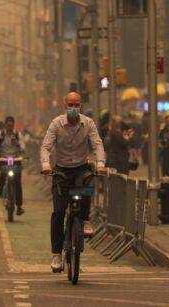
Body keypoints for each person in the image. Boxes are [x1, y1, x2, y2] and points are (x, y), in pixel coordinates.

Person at [40, 92, 106, 272]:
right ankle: (56, 254)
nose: (74, 107)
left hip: (80, 167)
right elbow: (46, 146)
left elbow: (97, 145)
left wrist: (100, 164)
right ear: (65, 105)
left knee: (87, 183)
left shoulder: (88, 123)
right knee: (58, 212)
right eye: (70, 104)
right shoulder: (56, 124)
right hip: (61, 170)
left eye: (76, 104)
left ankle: (84, 220)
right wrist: (46, 165)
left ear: (81, 105)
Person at [0, 116, 26, 216]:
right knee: (3, 174)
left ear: (13, 125)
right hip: (3, 160)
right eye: (8, 125)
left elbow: (23, 149)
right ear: (5, 124)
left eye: (12, 125)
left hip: (15, 160)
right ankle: (1, 188)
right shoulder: (0, 135)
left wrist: (18, 144)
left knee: (18, 182)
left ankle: (19, 206)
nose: (10, 127)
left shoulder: (18, 135)